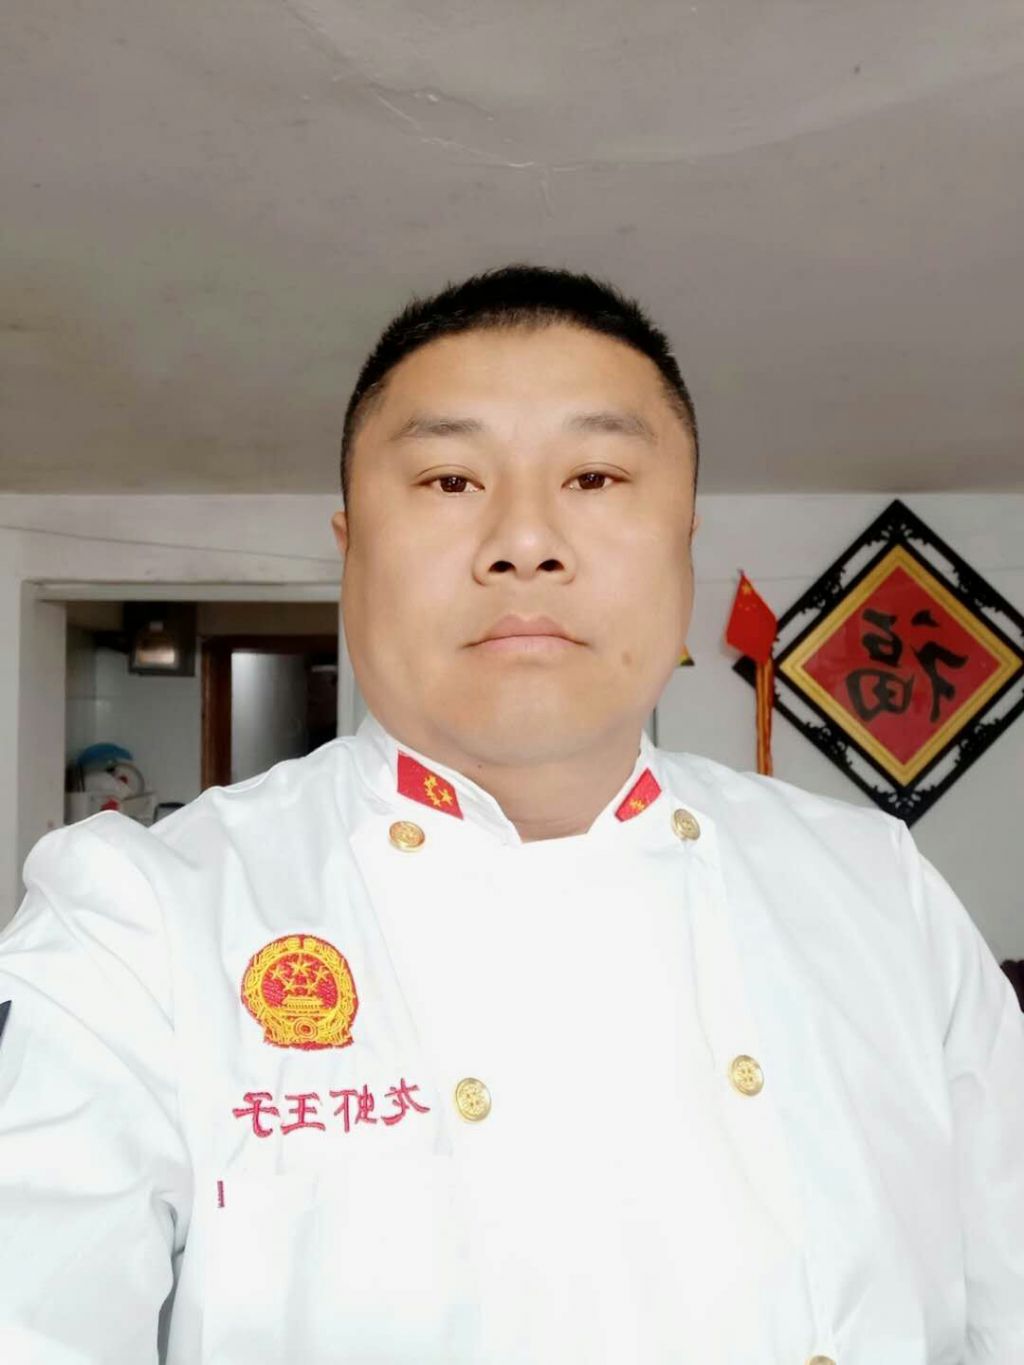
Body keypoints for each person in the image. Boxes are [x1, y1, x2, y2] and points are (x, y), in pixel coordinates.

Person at [1, 264, 1021, 1365]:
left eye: (595, 475)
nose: (525, 540)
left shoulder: (877, 890)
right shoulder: (140, 921)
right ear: (350, 548)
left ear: (682, 541)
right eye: (449, 479)